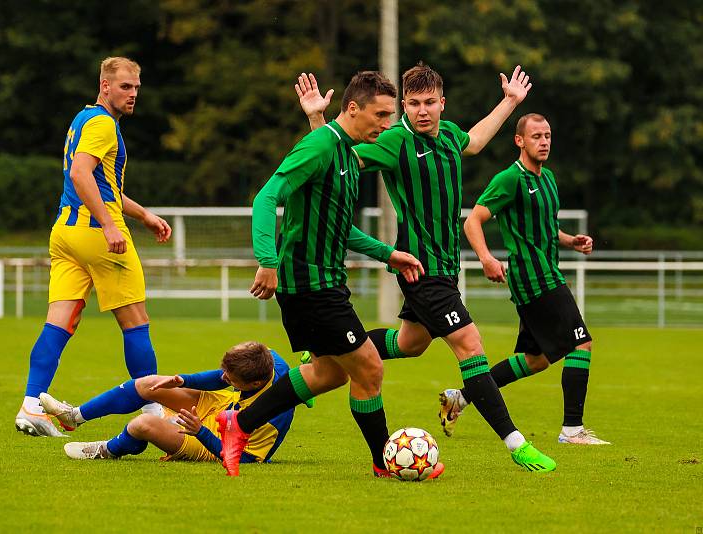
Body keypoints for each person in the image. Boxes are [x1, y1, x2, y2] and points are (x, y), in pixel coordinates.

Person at [296, 64, 556, 472]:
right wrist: (317, 118)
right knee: (471, 346)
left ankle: (329, 352)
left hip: (446, 269)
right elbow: (335, 156)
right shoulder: (394, 141)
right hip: (420, 269)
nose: (422, 111)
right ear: (404, 104)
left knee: (410, 344)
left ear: (442, 104)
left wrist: (509, 102)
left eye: (429, 102)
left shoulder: (450, 136)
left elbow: (476, 140)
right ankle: (516, 443)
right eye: (413, 103)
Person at [217, 71, 431, 478]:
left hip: (327, 282)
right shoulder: (319, 146)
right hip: (308, 284)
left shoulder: (348, 156)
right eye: (381, 114)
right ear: (353, 108)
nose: (387, 124)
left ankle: (238, 423)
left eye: (391, 115)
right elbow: (267, 196)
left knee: (329, 372)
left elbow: (339, 226)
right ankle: (385, 462)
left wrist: (388, 254)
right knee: (369, 368)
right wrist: (267, 259)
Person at [15, 56, 172, 437]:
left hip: (65, 234)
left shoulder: (82, 119)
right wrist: (108, 225)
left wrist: (145, 216)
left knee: (59, 321)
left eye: (136, 87)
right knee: (135, 323)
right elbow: (80, 174)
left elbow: (106, 187)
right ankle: (154, 408)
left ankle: (31, 405)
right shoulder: (103, 124)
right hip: (97, 236)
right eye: (124, 87)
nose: (133, 94)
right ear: (105, 86)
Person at [440, 113, 610, 445]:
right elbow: (473, 221)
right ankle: (572, 430)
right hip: (534, 279)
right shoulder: (510, 179)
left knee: (537, 360)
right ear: (519, 141)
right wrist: (487, 258)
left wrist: (569, 240)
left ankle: (461, 397)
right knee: (581, 343)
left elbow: (546, 227)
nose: (544, 141)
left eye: (547, 135)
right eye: (536, 136)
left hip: (547, 273)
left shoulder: (548, 180)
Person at [39, 342, 297, 462]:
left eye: (232, 377)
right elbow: (221, 379)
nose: (225, 377)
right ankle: (74, 416)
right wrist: (183, 381)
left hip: (226, 440)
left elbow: (242, 458)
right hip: (225, 405)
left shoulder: (262, 418)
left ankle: (107, 450)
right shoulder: (268, 359)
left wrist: (201, 432)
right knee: (147, 383)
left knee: (143, 425)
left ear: (253, 385)